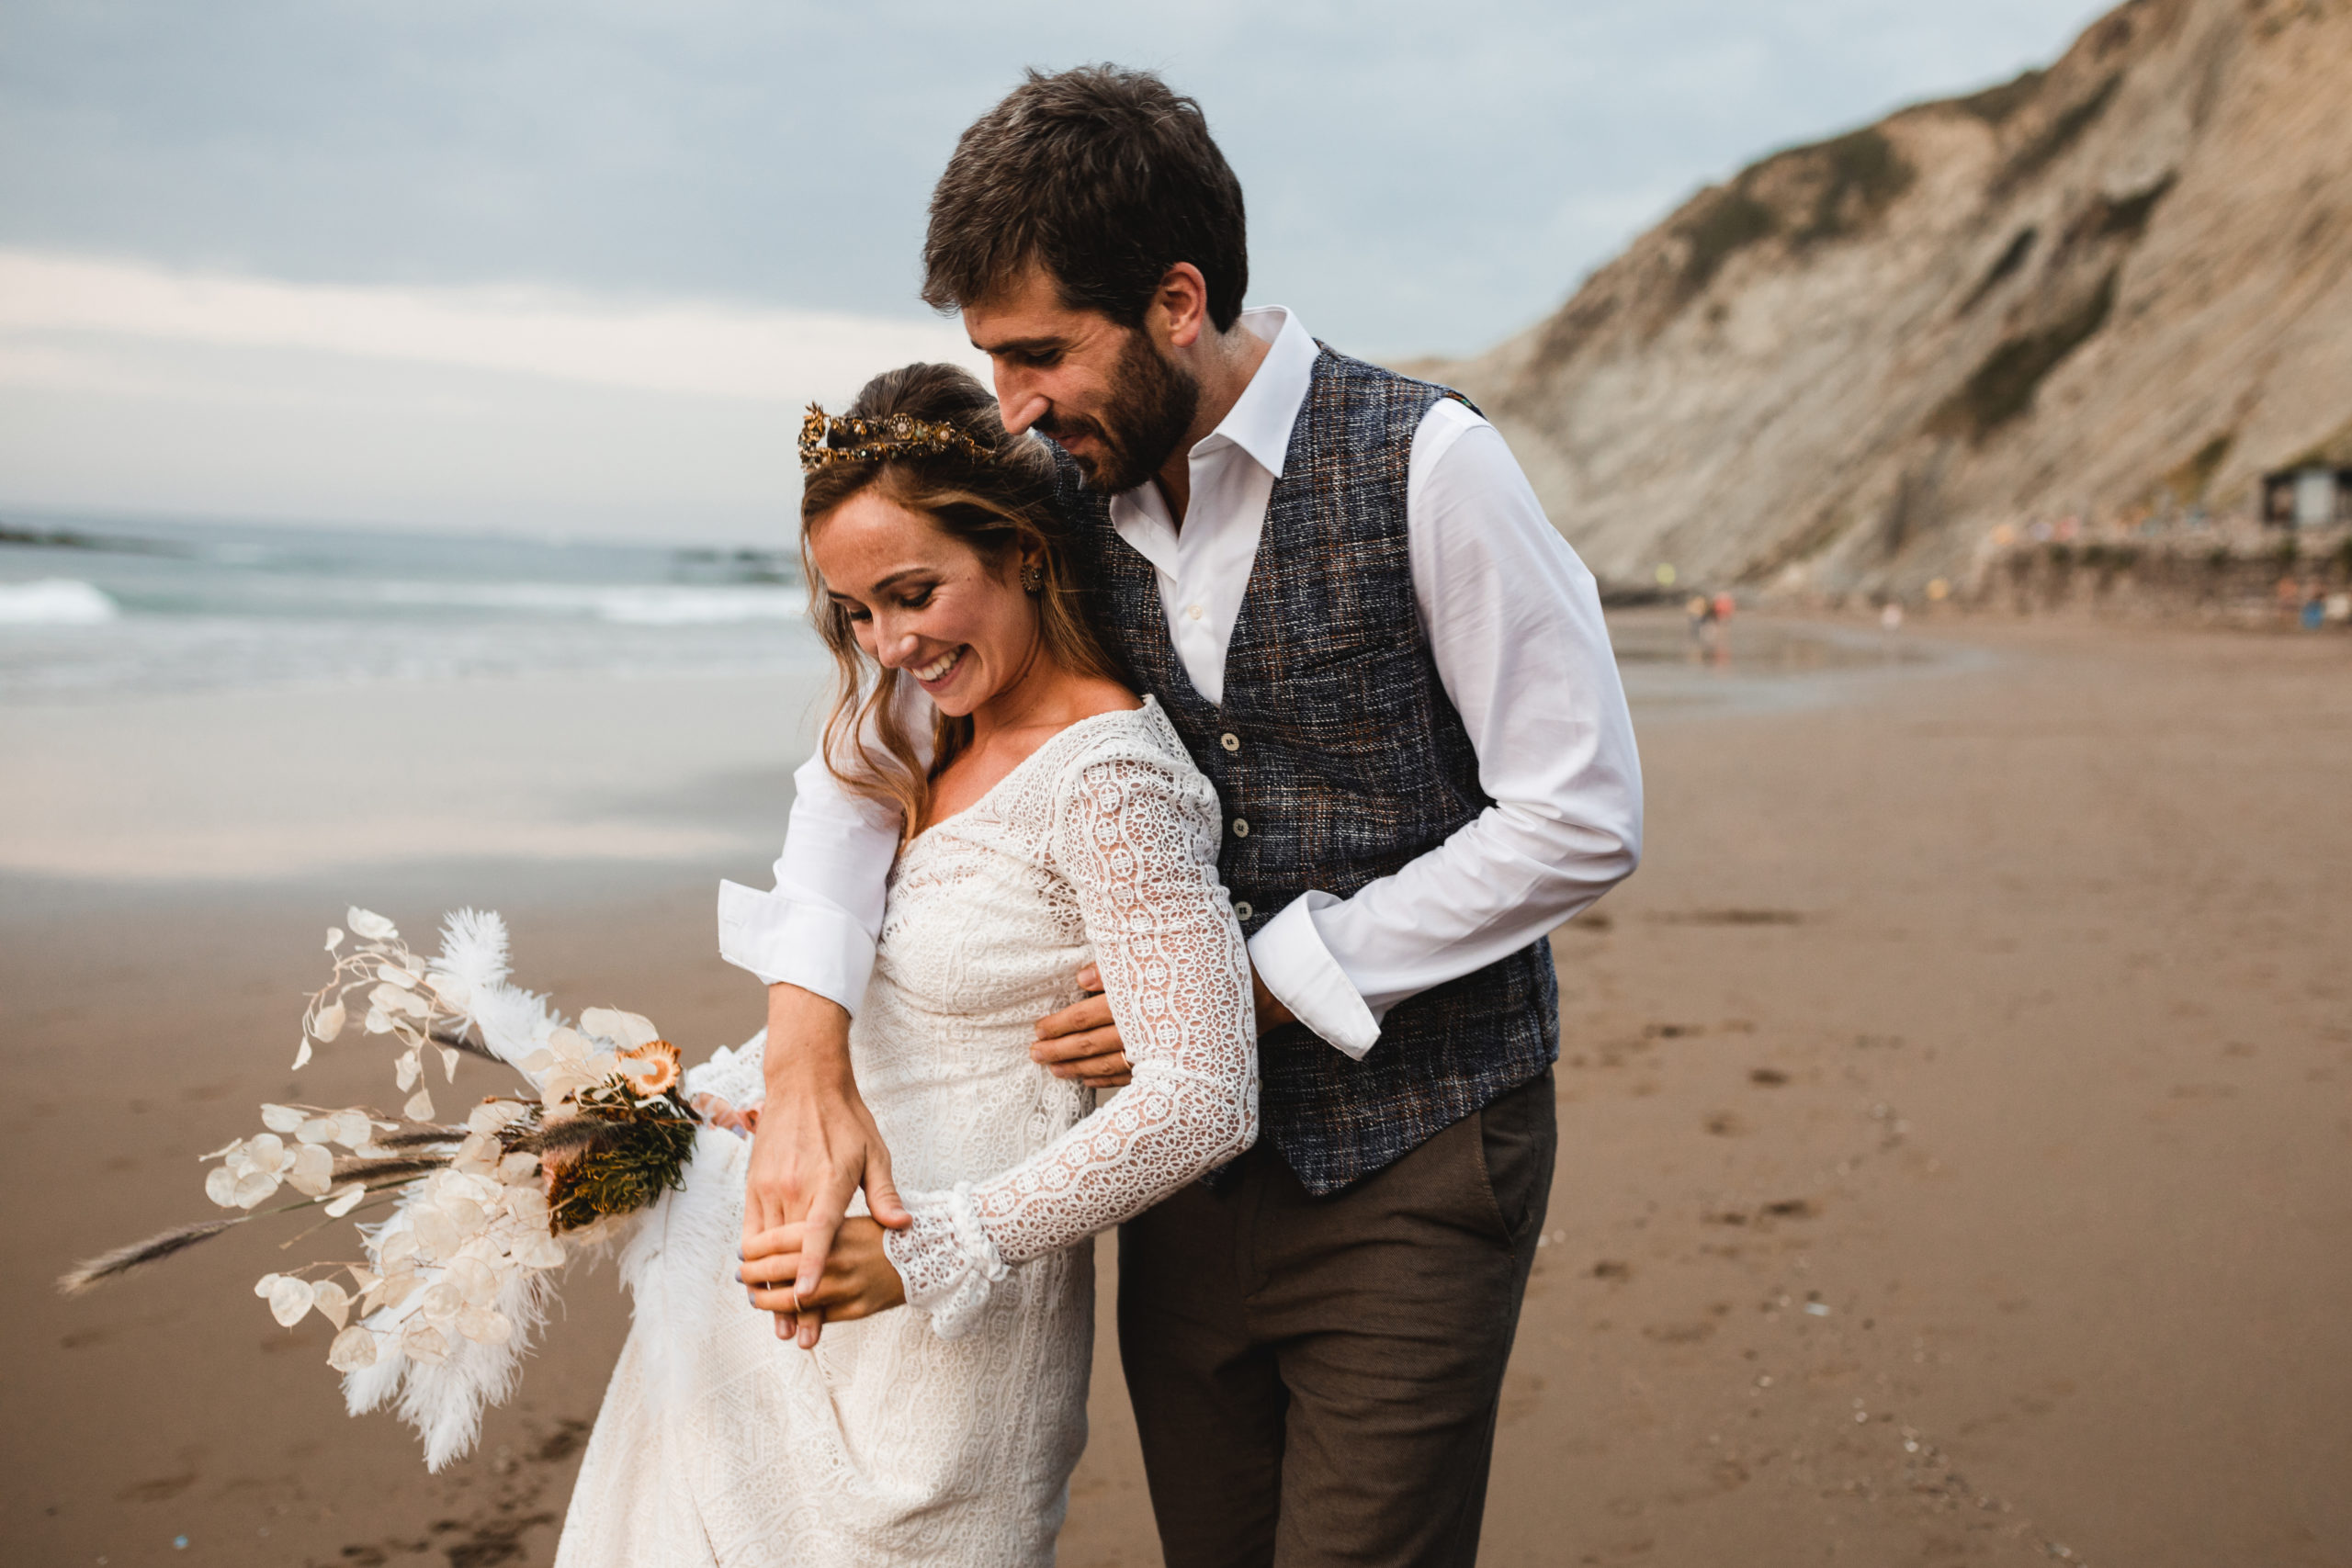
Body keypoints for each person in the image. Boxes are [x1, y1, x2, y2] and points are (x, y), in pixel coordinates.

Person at [733, 67, 1641, 1568]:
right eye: (991, 361)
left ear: (1174, 300)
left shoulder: (1428, 465)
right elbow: (860, 766)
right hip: (1173, 1181)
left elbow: (1579, 812)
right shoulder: (1049, 502)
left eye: (1037, 355)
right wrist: (805, 1046)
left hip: (1418, 1150)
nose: (1011, 405)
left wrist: (1270, 981)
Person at [554, 363, 1260, 1567]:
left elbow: (1206, 1097)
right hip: (756, 1332)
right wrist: (688, 1117)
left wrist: (933, 1247)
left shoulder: (1110, 782)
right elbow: (877, 1005)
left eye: (914, 593)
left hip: (934, 1358)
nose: (890, 643)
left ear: (1026, 550)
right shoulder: (911, 735)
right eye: (857, 614)